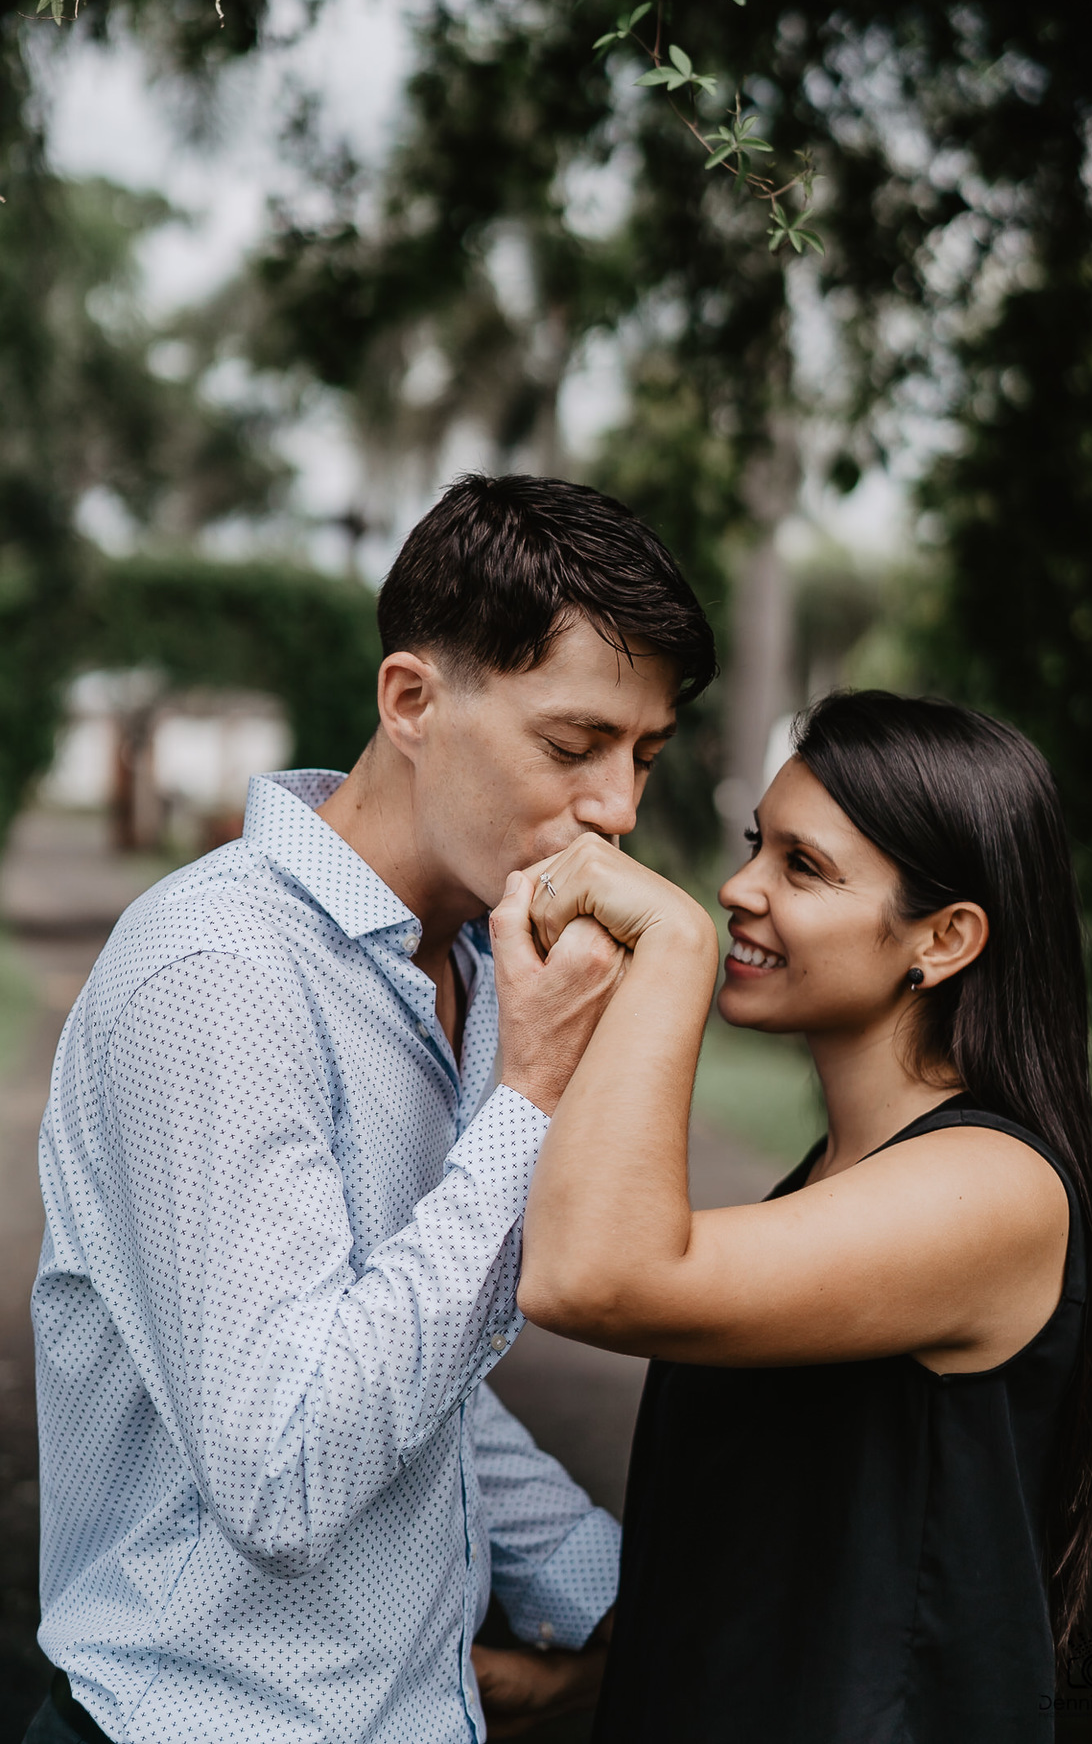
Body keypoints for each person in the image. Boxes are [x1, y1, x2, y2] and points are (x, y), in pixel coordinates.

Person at [27, 474, 716, 1744]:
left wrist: (612, 1592)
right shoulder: (219, 977)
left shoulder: (483, 966)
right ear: (412, 700)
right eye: (572, 746)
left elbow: (416, 1368)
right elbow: (287, 1467)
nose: (618, 808)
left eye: (643, 757)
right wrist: (531, 1097)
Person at [503, 690, 1092, 1743]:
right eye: (757, 845)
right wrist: (596, 1674)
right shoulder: (836, 1177)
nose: (739, 886)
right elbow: (781, 1550)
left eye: (804, 866)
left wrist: (674, 951)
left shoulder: (994, 1189)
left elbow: (592, 1274)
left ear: (947, 936)